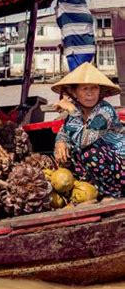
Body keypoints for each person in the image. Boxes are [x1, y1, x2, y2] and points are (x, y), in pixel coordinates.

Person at [52, 62, 124, 198]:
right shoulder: (77, 109)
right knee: (68, 153)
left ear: (99, 90)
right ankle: (93, 189)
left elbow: (84, 140)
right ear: (74, 92)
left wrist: (72, 111)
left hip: (121, 165)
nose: (90, 93)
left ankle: (113, 194)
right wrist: (60, 142)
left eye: (94, 88)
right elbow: (65, 130)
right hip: (105, 168)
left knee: (88, 151)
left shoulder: (105, 111)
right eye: (85, 89)